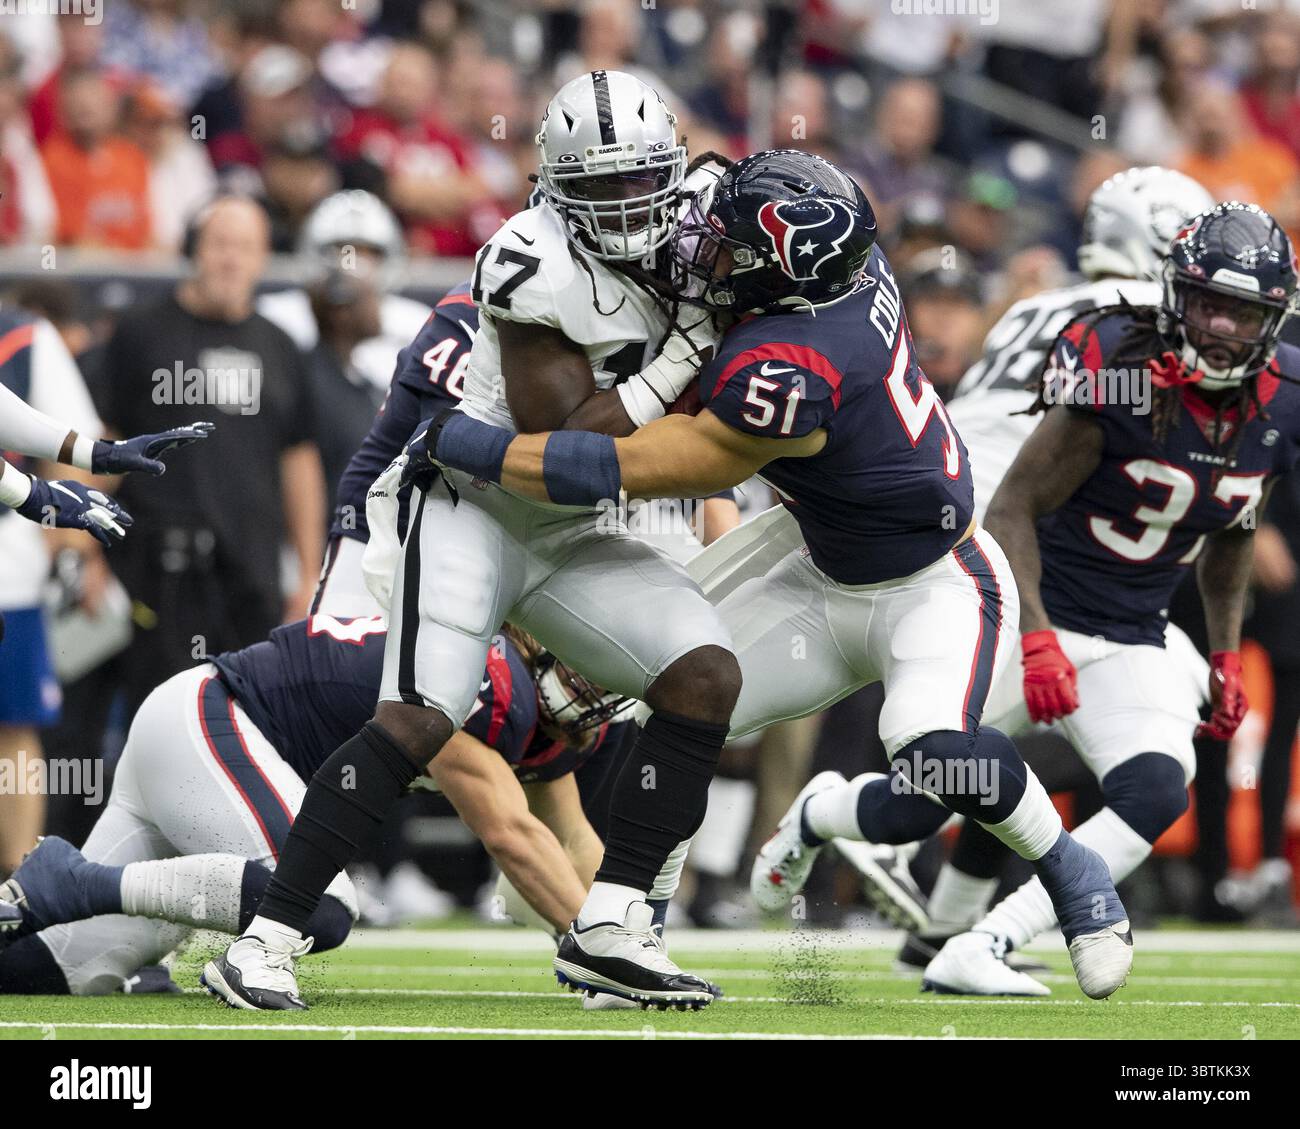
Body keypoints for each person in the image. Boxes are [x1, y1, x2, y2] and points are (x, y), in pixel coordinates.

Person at [408, 147, 1135, 1002]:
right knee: (678, 697)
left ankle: (1074, 871)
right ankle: (629, 924)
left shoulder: (793, 364)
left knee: (927, 743)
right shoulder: (834, 273)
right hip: (817, 565)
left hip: (934, 582)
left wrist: (483, 448)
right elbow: (721, 223)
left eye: (728, 248)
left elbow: (639, 465)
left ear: (778, 276)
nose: (704, 254)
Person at [205, 71, 738, 1012]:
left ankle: (610, 928)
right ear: (557, 185)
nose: (627, 203)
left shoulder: (702, 231)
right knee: (420, 717)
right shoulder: (527, 257)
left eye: (640, 178)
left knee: (703, 675)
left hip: (574, 530)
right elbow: (568, 441)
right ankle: (265, 941)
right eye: (601, 184)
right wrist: (691, 352)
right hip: (475, 503)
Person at [920, 202, 1300, 994]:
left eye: (1246, 313)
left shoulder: (1282, 396)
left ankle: (982, 938)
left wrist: (1225, 651)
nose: (1225, 329)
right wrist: (1035, 634)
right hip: (1032, 591)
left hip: (1132, 630)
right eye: (1208, 305)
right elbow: (1015, 502)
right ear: (1172, 293)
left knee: (1157, 783)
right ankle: (824, 820)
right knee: (922, 786)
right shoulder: (1116, 357)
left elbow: (1236, 523)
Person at [895, 165, 1217, 973]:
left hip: (946, 509)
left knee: (1003, 743)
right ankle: (872, 835)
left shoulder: (1035, 305)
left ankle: (947, 923)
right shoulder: (1147, 322)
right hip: (1030, 538)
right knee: (1110, 744)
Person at [0, 615, 626, 997]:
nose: (591, 687)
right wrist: (599, 956)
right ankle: (74, 881)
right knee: (315, 909)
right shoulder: (483, 676)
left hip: (202, 744)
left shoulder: (540, 726)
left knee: (56, 969)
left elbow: (571, 840)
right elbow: (512, 835)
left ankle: (74, 890)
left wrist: (632, 937)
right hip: (215, 723)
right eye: (585, 665)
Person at [96, 196, 326, 715]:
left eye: (245, 247)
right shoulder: (140, 332)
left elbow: (299, 463)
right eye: (220, 244)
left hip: (252, 572)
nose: (231, 259)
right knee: (159, 716)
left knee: (250, 722)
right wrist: (82, 547)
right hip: (157, 570)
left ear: (264, 258)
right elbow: (102, 443)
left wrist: (309, 572)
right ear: (195, 251)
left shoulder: (281, 346)